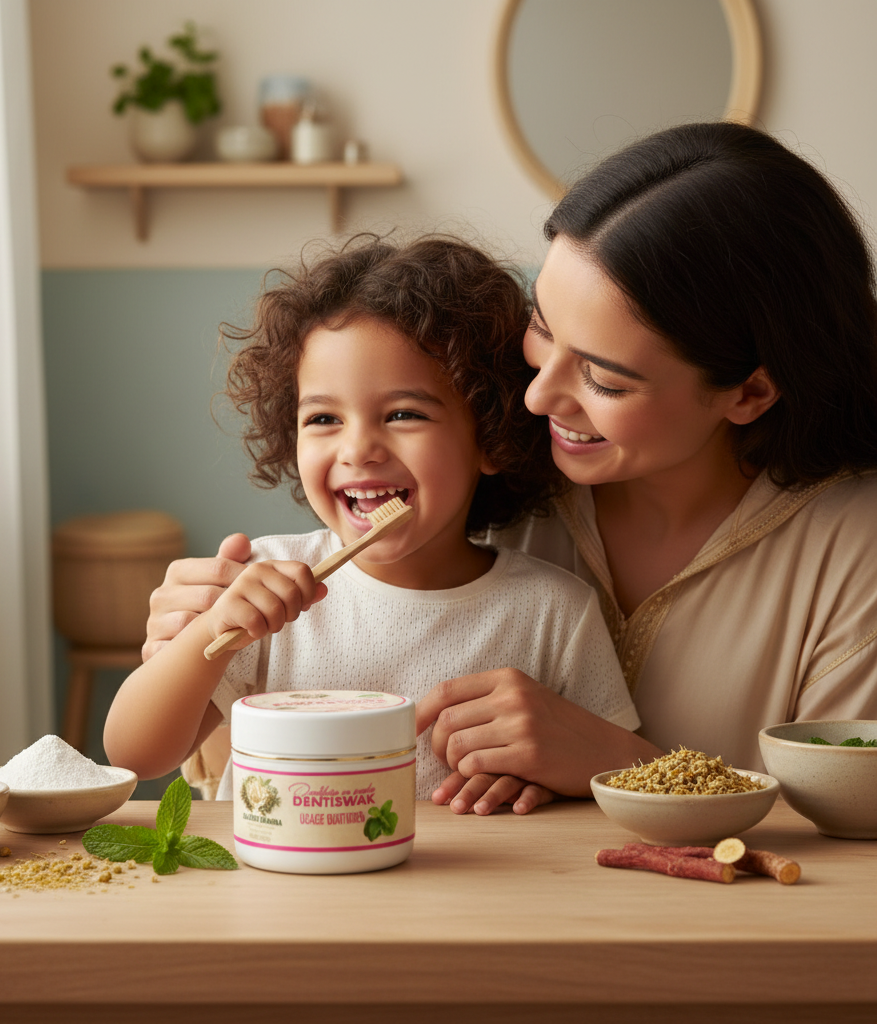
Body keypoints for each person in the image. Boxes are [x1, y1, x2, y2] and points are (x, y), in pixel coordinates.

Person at [142, 122, 877, 812]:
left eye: (605, 379)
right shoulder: (496, 476)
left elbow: (843, 850)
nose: (534, 396)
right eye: (543, 330)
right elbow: (167, 739)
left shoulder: (852, 554)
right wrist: (184, 642)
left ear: (748, 391)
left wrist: (614, 763)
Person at [103, 235, 644, 809]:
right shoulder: (260, 583)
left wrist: (552, 782)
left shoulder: (554, 610)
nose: (358, 448)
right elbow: (135, 756)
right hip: (279, 885)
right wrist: (206, 634)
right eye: (323, 417)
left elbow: (613, 784)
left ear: (489, 435)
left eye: (403, 414)